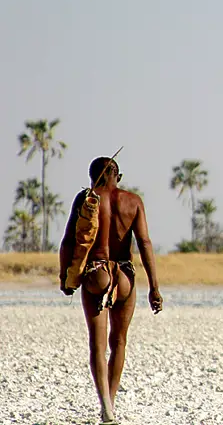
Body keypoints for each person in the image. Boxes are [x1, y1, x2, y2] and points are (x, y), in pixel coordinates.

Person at [58, 156, 164, 425]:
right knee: (119, 342)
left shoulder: (88, 198)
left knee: (97, 344)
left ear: (94, 176)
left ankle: (106, 406)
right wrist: (154, 287)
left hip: (98, 274)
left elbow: (69, 240)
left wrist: (65, 277)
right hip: (125, 275)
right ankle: (112, 403)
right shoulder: (133, 201)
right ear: (118, 175)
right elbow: (145, 243)